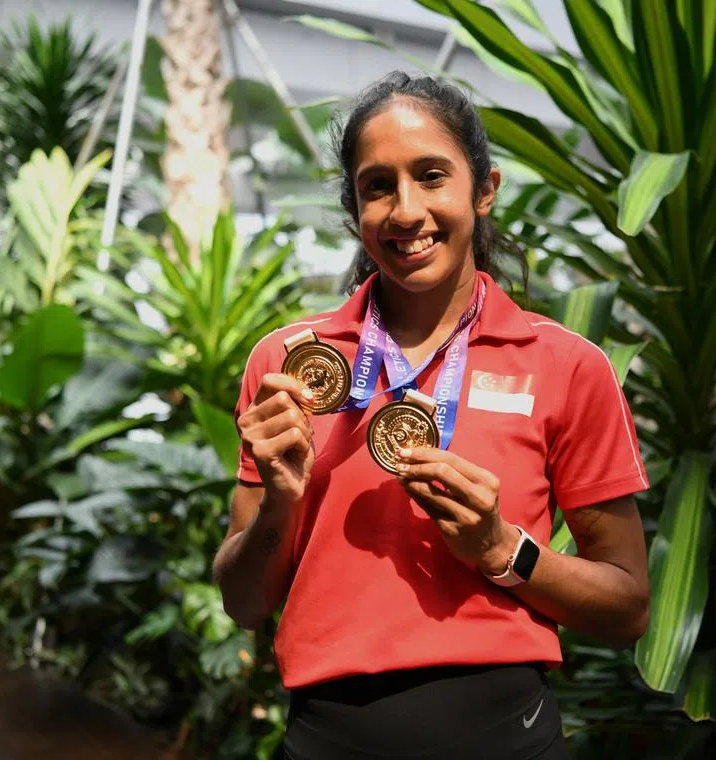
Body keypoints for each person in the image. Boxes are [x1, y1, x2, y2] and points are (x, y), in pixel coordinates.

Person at [213, 71, 651, 760]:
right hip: (328, 739)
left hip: (506, 737)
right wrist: (280, 503)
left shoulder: (567, 366)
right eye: (377, 186)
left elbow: (628, 607)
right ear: (354, 206)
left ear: (484, 190)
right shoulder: (289, 365)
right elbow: (242, 604)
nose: (405, 210)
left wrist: (502, 551)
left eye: (432, 175)